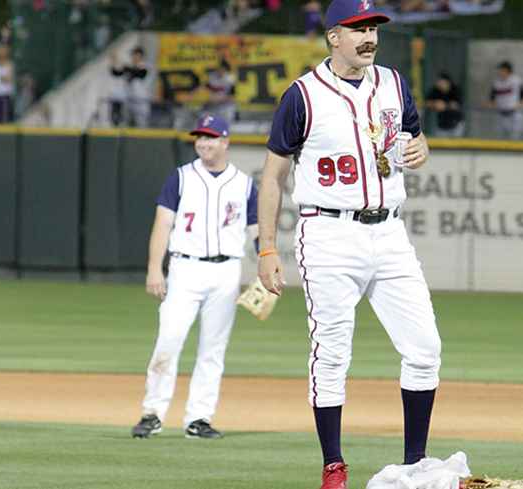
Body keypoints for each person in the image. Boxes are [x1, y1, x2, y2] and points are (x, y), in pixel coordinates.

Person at [257, 0, 442, 487]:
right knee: (333, 353)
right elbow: (273, 177)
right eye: (358, 28)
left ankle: (415, 465)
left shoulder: (394, 84)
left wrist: (422, 149)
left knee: (425, 348)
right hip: (328, 233)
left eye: (373, 27)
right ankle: (333, 465)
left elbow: (414, 140)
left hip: (390, 231)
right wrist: (266, 248)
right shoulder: (303, 96)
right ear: (332, 37)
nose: (369, 36)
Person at [131, 114, 258, 440]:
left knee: (213, 348)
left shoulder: (244, 184)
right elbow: (163, 223)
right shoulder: (181, 178)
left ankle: (199, 418)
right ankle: (152, 413)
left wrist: (265, 267)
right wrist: (154, 268)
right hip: (185, 269)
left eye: (211, 137)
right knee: (168, 340)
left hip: (227, 270)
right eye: (200, 137)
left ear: (225, 142)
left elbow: (257, 231)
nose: (203, 142)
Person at [483, 60, 523, 139]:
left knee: (515, 138)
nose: (499, 71)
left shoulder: (516, 80)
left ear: (507, 70)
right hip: (501, 114)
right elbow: (491, 99)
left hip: (514, 114)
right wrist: (489, 104)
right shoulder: (496, 82)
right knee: (501, 138)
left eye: (501, 69)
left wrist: (520, 105)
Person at [110, 46, 151, 127]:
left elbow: (138, 73)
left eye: (136, 54)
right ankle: (116, 119)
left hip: (141, 100)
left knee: (141, 124)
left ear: (141, 56)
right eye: (133, 54)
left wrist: (121, 63)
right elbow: (116, 73)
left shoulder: (145, 66)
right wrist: (114, 61)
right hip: (129, 98)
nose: (134, 56)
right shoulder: (130, 67)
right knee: (115, 94)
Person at [425, 71, 464, 137]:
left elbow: (457, 105)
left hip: (456, 124)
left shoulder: (455, 90)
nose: (439, 83)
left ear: (447, 82)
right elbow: (426, 103)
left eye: (441, 82)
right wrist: (434, 104)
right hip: (441, 125)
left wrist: (445, 105)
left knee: (456, 145)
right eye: (438, 81)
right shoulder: (435, 90)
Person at [204, 57, 237, 124]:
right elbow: (205, 90)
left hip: (226, 107)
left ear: (226, 69)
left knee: (226, 125)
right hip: (213, 107)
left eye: (222, 68)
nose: (220, 70)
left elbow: (232, 96)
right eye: (219, 68)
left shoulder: (230, 78)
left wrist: (220, 99)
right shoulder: (212, 77)